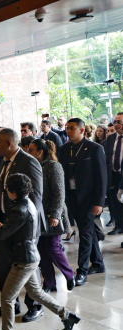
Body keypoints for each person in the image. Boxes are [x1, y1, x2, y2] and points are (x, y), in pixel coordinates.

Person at [0, 173, 80, 330]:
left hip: (24, 260)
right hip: (30, 256)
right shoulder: (27, 203)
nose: (6, 192)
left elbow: (3, 234)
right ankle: (68, 316)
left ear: (12, 191)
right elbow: (12, 229)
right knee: (36, 293)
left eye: (7, 189)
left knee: (7, 297)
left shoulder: (20, 208)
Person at [0, 128, 45, 322]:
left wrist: (30, 227)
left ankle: (35, 306)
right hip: (6, 220)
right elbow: (1, 192)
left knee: (28, 266)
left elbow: (36, 197)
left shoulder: (28, 162)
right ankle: (10, 304)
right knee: (3, 263)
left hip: (24, 224)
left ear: (8, 144)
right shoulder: (3, 162)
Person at [59, 118, 107, 287]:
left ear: (81, 130)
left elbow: (102, 177)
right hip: (71, 198)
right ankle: (99, 263)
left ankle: (82, 270)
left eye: (72, 128)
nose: (68, 131)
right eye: (67, 128)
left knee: (85, 233)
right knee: (89, 230)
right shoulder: (64, 150)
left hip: (88, 199)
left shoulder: (94, 149)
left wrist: (99, 202)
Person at [28, 139, 75, 292]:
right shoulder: (35, 165)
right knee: (42, 249)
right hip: (39, 214)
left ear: (40, 152)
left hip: (53, 214)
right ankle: (49, 283)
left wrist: (55, 214)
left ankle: (69, 275)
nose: (29, 153)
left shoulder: (53, 166)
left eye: (31, 150)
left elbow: (59, 194)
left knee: (53, 248)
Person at [103, 112, 123, 236]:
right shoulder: (111, 138)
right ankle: (119, 226)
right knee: (116, 203)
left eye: (118, 122)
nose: (116, 124)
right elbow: (108, 157)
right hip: (114, 175)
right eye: (115, 122)